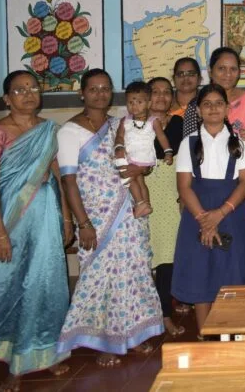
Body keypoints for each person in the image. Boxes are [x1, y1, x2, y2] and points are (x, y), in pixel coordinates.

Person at [0, 71, 73, 391]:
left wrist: (66, 219)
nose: (29, 94)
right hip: (9, 220)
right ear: (7, 98)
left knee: (46, 282)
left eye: (33, 88)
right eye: (20, 90)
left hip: (45, 217)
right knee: (3, 284)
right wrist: (0, 233)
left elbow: (58, 177)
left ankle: (43, 352)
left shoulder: (49, 130)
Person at [57, 69, 163, 366]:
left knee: (133, 272)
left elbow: (144, 159)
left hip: (128, 211)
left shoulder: (121, 124)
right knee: (99, 276)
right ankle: (104, 338)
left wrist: (141, 169)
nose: (100, 94)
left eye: (105, 88)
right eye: (93, 89)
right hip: (96, 217)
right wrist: (83, 223)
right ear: (82, 93)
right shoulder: (69, 132)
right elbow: (68, 181)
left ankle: (133, 334)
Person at [172, 84, 245, 331]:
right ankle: (206, 333)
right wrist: (204, 220)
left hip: (232, 212)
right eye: (207, 104)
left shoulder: (240, 142)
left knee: (232, 272)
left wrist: (220, 213)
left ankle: (232, 331)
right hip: (197, 213)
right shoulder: (188, 143)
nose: (213, 109)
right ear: (198, 110)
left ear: (227, 108)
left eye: (218, 103)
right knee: (202, 271)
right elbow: (184, 186)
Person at [145, 76, 186, 338]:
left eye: (166, 92)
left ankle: (165, 314)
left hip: (172, 193)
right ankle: (145, 314)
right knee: (144, 258)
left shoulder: (179, 123)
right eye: (155, 92)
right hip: (144, 193)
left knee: (167, 258)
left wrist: (184, 195)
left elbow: (188, 159)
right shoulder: (135, 124)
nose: (161, 97)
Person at [113, 81, 173, 218]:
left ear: (148, 103)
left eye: (139, 102)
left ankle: (140, 203)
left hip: (143, 156)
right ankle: (146, 204)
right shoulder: (125, 120)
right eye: (130, 102)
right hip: (130, 156)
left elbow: (162, 137)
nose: (134, 106)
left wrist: (168, 152)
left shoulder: (153, 121)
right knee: (140, 181)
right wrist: (119, 147)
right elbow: (119, 136)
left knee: (129, 178)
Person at [172, 57, 202, 135]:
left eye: (191, 74)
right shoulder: (165, 103)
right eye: (180, 74)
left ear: (199, 79)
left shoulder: (207, 102)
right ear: (174, 79)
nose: (185, 78)